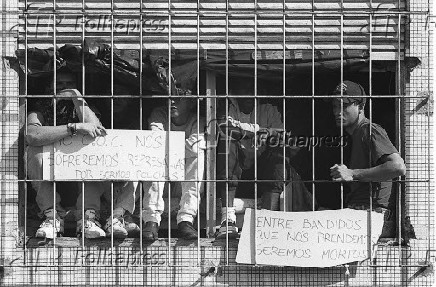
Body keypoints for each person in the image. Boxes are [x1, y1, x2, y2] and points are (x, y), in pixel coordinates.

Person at [26, 69, 109, 239]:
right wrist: (74, 128)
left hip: (80, 167)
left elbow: (96, 128)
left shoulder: (83, 105)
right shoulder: (40, 108)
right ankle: (52, 216)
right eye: (59, 84)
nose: (64, 88)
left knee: (95, 151)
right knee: (32, 152)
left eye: (70, 84)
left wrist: (77, 97)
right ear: (50, 87)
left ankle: (88, 217)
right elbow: (32, 135)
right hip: (50, 166)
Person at [329, 80, 406, 235]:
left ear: (361, 107)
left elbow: (397, 167)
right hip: (362, 213)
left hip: (373, 215)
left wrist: (352, 173)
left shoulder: (370, 130)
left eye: (344, 106)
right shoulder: (356, 134)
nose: (338, 111)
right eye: (335, 106)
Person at [215, 79, 289, 239]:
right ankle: (227, 219)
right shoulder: (228, 105)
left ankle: (267, 220)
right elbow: (223, 127)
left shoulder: (269, 109)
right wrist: (256, 132)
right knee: (227, 143)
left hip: (260, 170)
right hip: (232, 171)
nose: (249, 94)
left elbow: (281, 134)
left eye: (252, 89)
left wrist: (268, 134)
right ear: (236, 91)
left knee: (280, 151)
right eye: (244, 89)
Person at [138, 95, 206, 241]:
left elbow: (196, 147)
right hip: (162, 181)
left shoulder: (197, 120)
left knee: (198, 156)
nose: (172, 102)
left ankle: (186, 220)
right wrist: (180, 148)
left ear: (191, 102)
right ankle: (151, 220)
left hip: (182, 182)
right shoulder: (159, 114)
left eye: (179, 99)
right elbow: (155, 143)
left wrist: (168, 148)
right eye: (170, 98)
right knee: (153, 155)